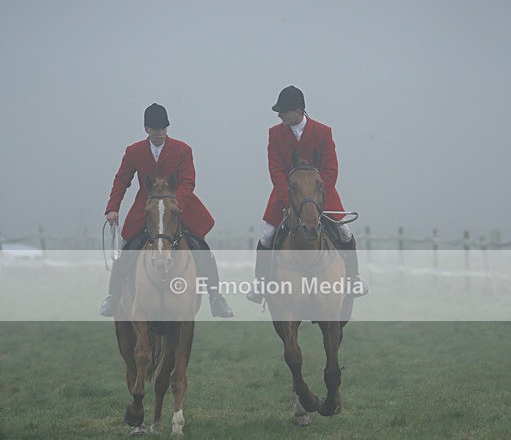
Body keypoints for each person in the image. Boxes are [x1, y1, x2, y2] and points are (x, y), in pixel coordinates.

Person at [100, 103, 233, 318]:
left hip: (178, 209)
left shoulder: (182, 150)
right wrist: (113, 208)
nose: (160, 133)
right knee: (126, 250)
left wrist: (174, 206)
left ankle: (216, 298)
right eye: (155, 129)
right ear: (146, 129)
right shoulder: (133, 152)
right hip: (146, 210)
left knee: (202, 248)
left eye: (163, 128)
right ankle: (113, 297)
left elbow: (188, 181)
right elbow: (121, 180)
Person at [247, 85, 368, 303]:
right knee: (267, 235)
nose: (279, 115)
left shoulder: (323, 132)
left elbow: (331, 169)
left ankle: (354, 278)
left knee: (344, 231)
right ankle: (260, 283)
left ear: (298, 111)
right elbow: (275, 170)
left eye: (283, 110)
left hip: (321, 194)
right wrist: (290, 200)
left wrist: (318, 198)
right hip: (286, 195)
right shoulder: (274, 133)